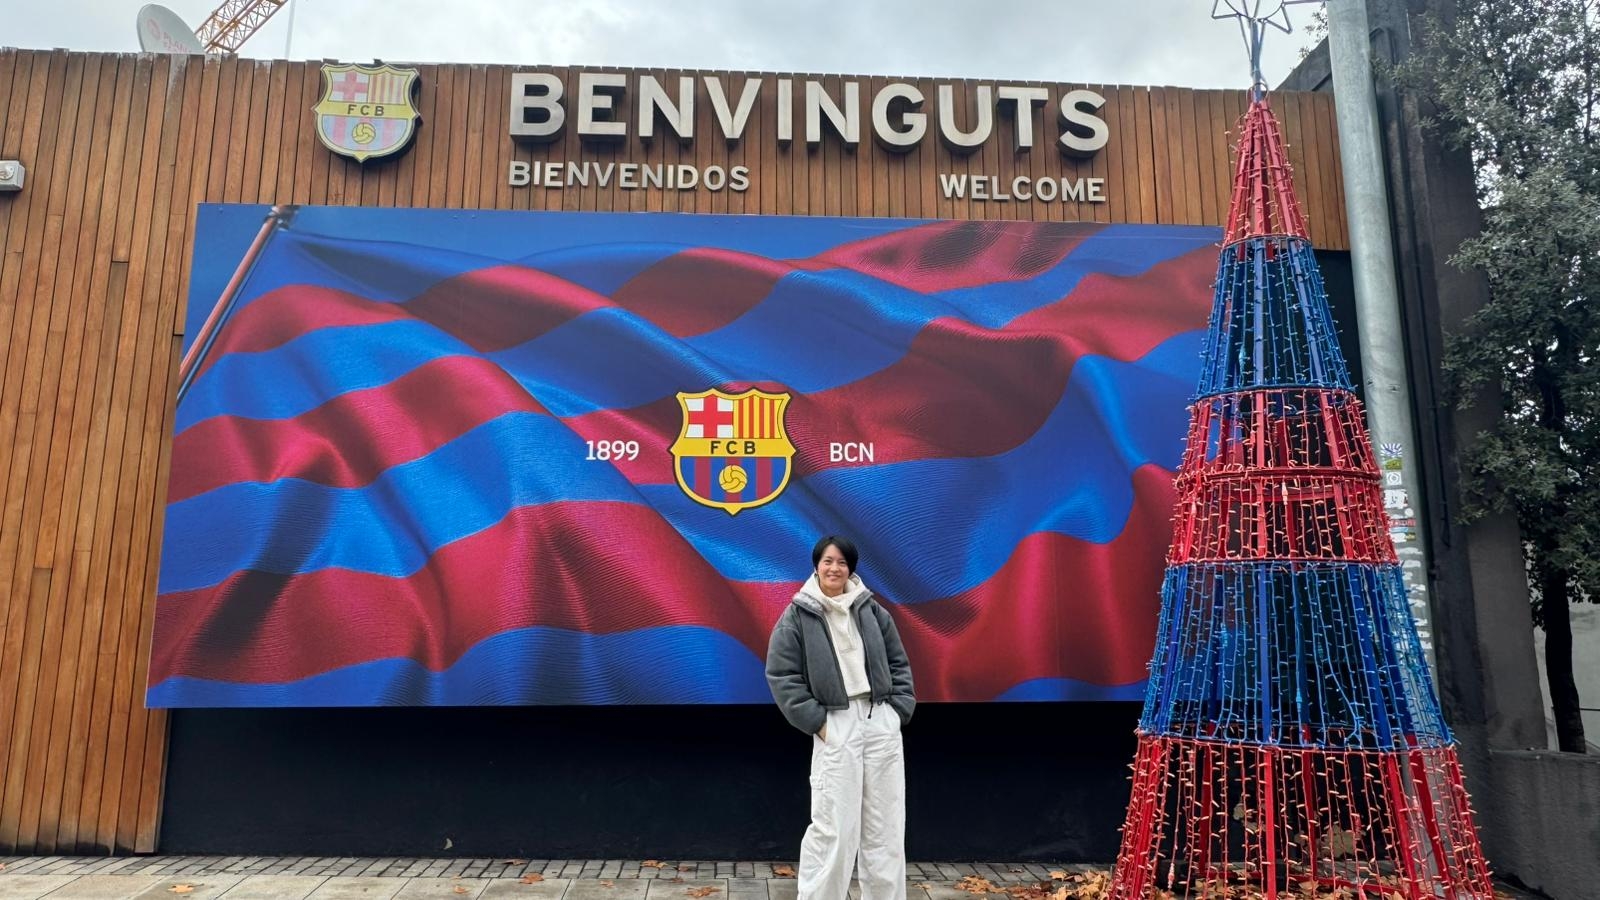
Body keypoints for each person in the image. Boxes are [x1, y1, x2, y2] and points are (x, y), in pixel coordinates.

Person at [765, 535, 916, 900]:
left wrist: (897, 711)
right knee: (834, 826)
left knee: (886, 827)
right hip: (836, 722)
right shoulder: (798, 615)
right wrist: (819, 724)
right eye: (828, 561)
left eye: (842, 563)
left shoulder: (872, 610)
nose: (835, 568)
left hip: (879, 720)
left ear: (851, 569)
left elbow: (898, 662)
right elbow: (782, 675)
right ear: (816, 566)